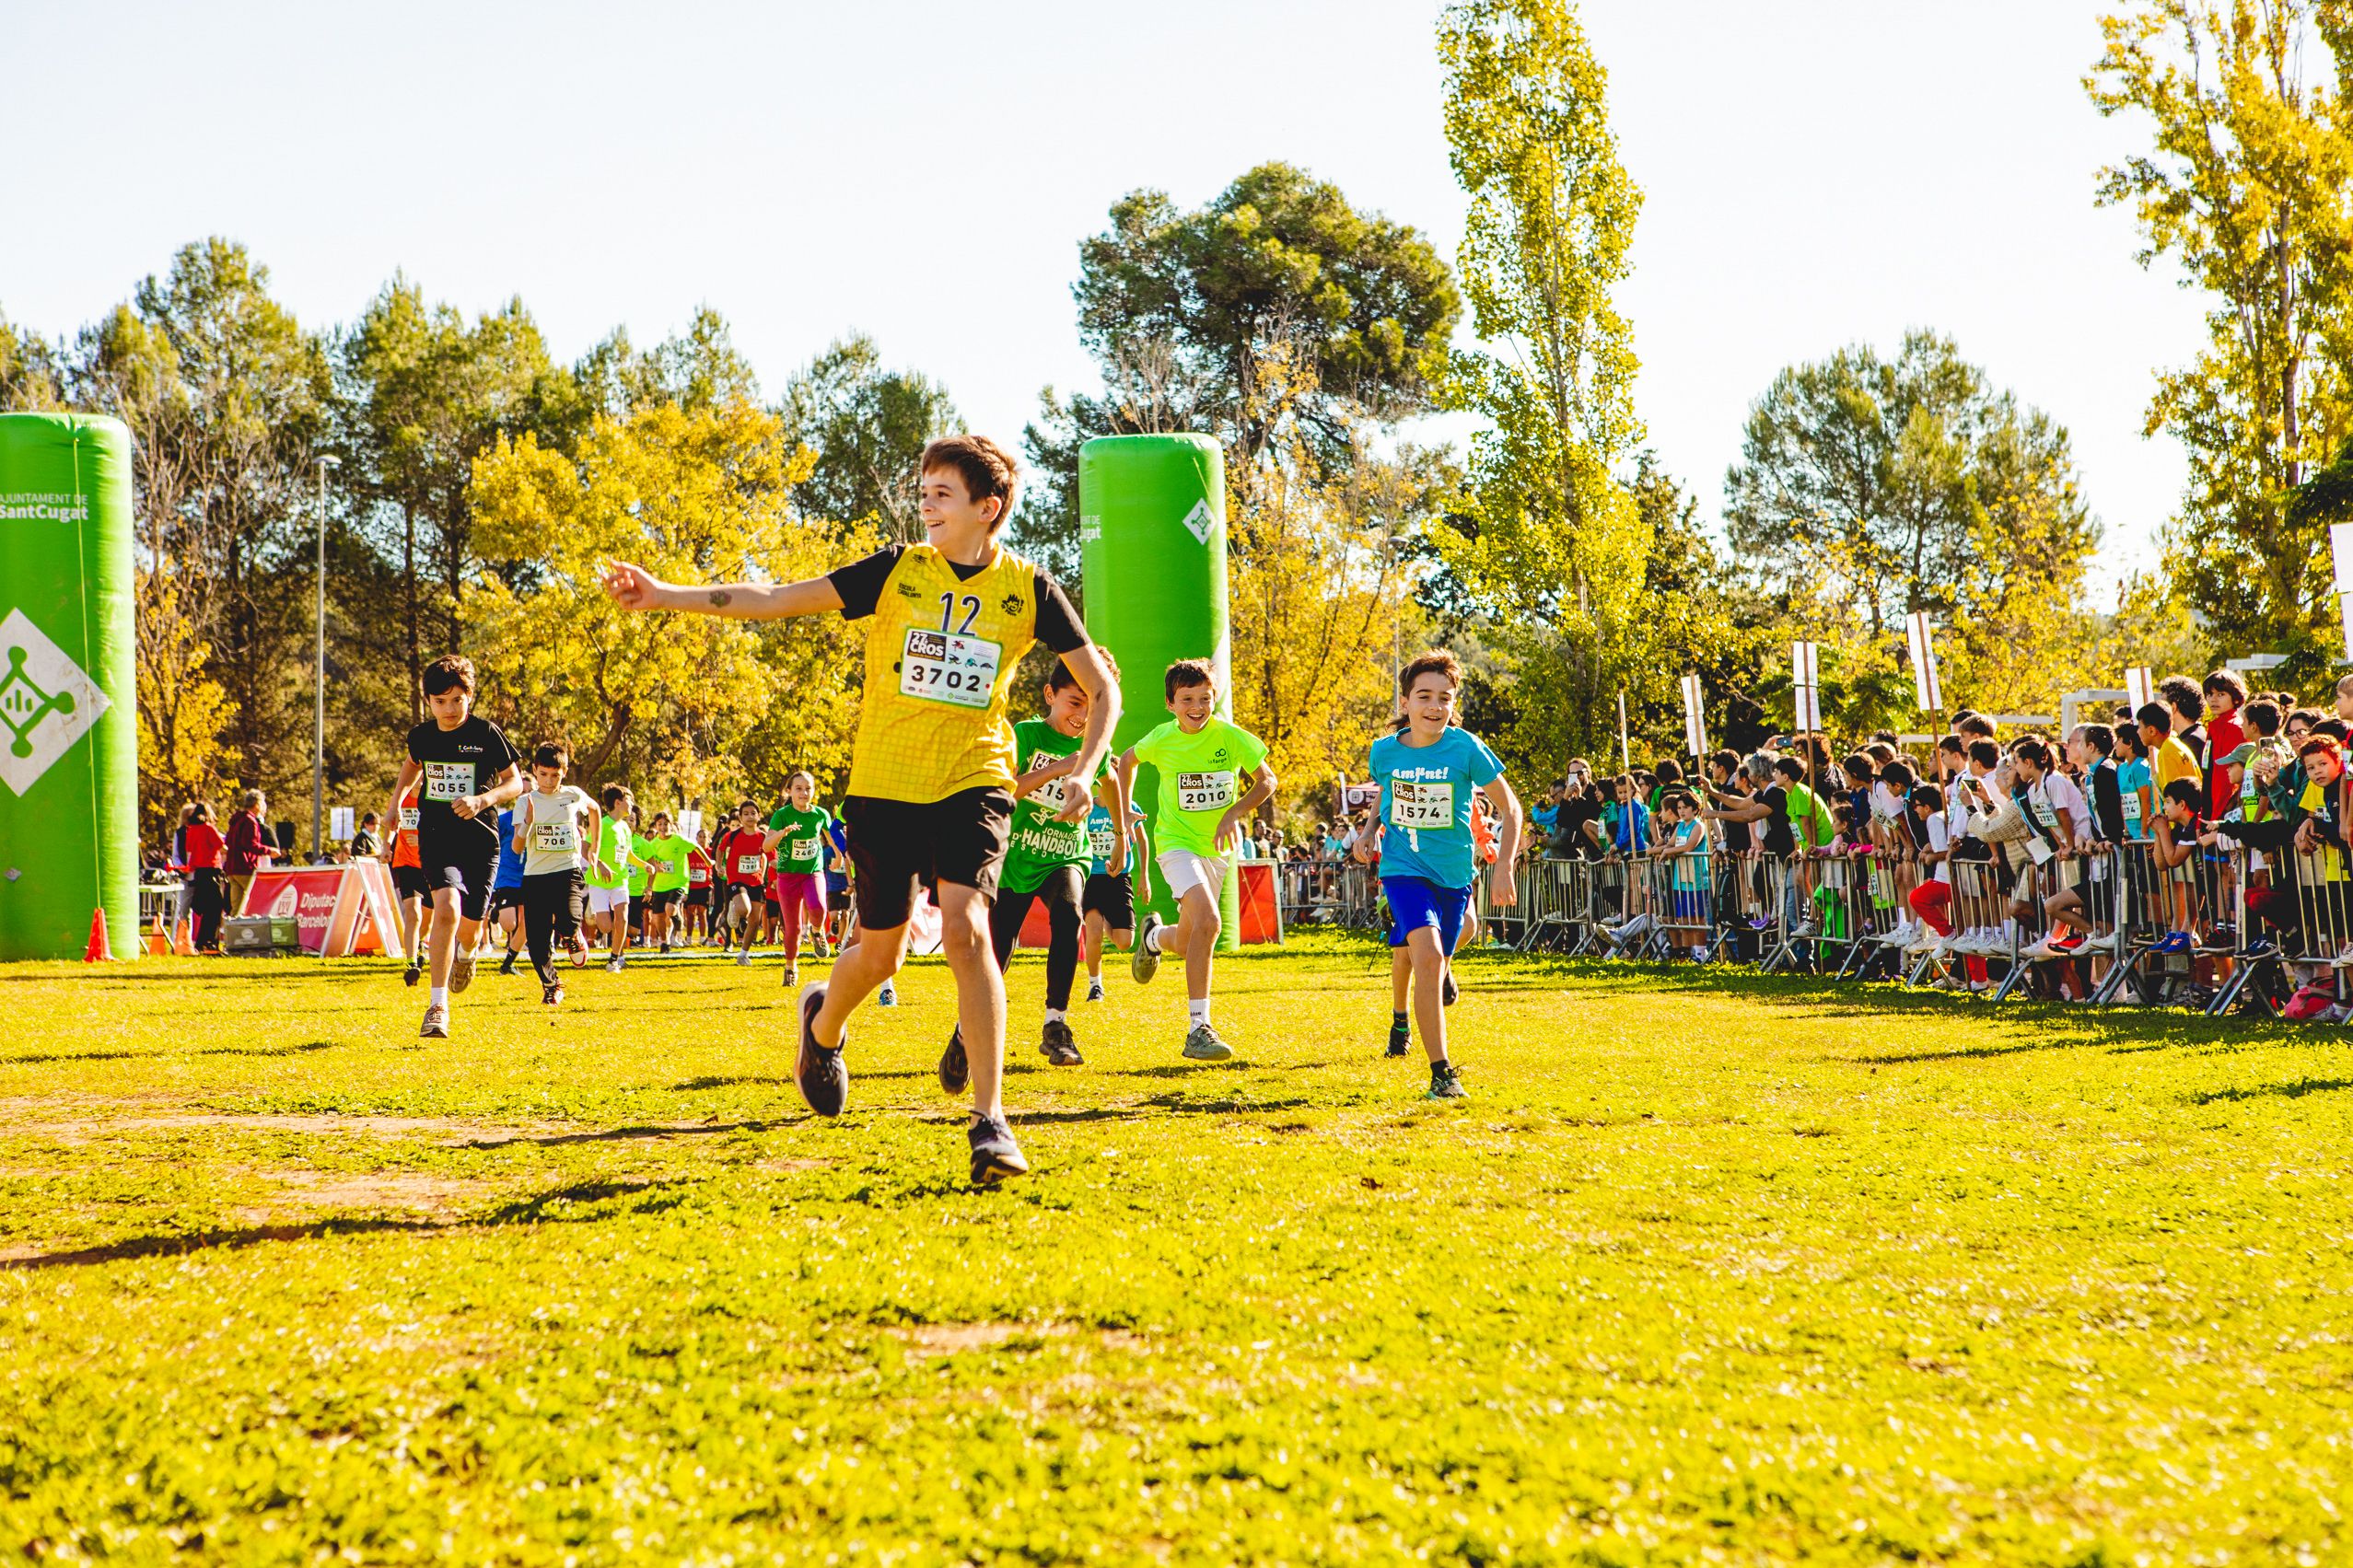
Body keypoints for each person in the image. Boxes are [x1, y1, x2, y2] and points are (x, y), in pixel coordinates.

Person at [601, 433, 1118, 1184]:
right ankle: (824, 1023)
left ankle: (991, 1121)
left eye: (941, 493)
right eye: (923, 491)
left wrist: (1088, 765)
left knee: (970, 930)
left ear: (988, 508)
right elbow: (776, 600)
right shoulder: (895, 571)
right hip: (883, 784)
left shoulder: (1030, 590)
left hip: (975, 777)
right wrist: (664, 593)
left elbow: (1104, 688)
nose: (926, 503)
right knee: (882, 953)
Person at [1352, 651, 1520, 1098]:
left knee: (1452, 940)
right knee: (1424, 956)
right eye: (1424, 696)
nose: (1435, 706)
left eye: (1444, 698)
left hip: (1454, 873)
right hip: (1403, 868)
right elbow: (1385, 794)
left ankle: (1442, 971)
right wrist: (1368, 831)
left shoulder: (1466, 748)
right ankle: (1442, 1073)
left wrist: (1502, 865)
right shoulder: (1384, 751)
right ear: (1405, 702)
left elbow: (1510, 807)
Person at [1116, 657, 1277, 1063]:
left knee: (1188, 940)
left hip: (1217, 849)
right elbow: (1126, 762)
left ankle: (1153, 937)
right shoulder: (1162, 738)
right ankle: (1198, 1029)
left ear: (1214, 697)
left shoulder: (1230, 736)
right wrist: (1124, 811)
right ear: (1171, 703)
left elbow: (1267, 780)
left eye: (1205, 698)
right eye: (1187, 699)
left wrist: (1233, 812)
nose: (1197, 706)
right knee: (1209, 922)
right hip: (1175, 843)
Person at [961, 654, 1115, 1070]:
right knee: (998, 947)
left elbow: (1112, 780)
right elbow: (1005, 792)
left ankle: (1056, 1026)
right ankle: (965, 1032)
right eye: (1074, 702)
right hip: (1018, 856)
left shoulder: (1095, 744)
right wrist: (1062, 769)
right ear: (1050, 695)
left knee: (1069, 917)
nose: (1082, 716)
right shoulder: (1026, 735)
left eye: (1091, 706)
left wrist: (1119, 836)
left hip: (1067, 854)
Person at [381, 655, 525, 1039]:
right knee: (445, 908)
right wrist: (395, 803)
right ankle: (437, 1006)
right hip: (436, 834)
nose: (448, 709)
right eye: (440, 701)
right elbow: (412, 765)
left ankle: (467, 953)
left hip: (481, 840)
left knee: (471, 928)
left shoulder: (486, 734)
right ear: (428, 701)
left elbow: (516, 783)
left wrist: (483, 799)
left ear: (470, 697)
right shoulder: (422, 736)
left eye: (456, 700)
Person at [511, 743, 602, 1006]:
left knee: (569, 921)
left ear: (564, 772)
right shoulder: (525, 802)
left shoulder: (573, 795)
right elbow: (517, 848)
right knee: (538, 942)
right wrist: (528, 822)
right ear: (534, 771)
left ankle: (573, 936)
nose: (549, 781)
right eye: (543, 774)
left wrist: (594, 848)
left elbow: (594, 810)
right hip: (535, 875)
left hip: (568, 870)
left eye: (555, 775)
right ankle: (551, 985)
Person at [1081, 775, 1150, 1003]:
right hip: (1091, 877)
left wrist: (1145, 877)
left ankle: (1109, 921)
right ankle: (1095, 986)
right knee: (1092, 933)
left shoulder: (1129, 808)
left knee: (1124, 942)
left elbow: (1142, 840)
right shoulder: (1088, 808)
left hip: (1119, 878)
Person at [763, 772, 834, 986]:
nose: (804, 793)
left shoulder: (820, 814)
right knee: (792, 928)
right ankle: (790, 966)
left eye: (808, 788)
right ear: (790, 791)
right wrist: (783, 833)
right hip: (787, 876)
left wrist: (840, 856)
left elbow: (832, 839)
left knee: (819, 907)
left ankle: (817, 931)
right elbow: (766, 846)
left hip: (813, 872)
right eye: (799, 788)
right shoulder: (781, 815)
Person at [585, 785, 640, 971]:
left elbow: (629, 854)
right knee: (606, 927)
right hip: (599, 882)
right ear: (618, 803)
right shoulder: (602, 824)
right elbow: (585, 849)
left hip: (620, 880)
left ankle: (614, 960)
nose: (632, 804)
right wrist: (600, 865)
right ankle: (592, 913)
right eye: (629, 800)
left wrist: (645, 865)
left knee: (622, 919)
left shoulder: (625, 827)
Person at [381, 781, 431, 986]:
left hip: (430, 863)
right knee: (413, 913)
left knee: (427, 920)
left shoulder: (432, 798)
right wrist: (386, 845)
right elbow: (391, 823)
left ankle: (419, 944)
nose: (419, 782)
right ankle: (411, 964)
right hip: (406, 862)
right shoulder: (400, 798)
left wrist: (424, 841)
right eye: (416, 778)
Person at [711, 800, 772, 962]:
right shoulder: (733, 835)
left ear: (759, 816)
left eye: (753, 813)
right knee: (745, 909)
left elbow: (771, 856)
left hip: (756, 881)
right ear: (740, 817)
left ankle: (743, 954)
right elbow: (720, 849)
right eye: (746, 814)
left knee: (754, 920)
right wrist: (718, 866)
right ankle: (735, 908)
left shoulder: (763, 837)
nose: (750, 816)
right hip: (736, 879)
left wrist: (777, 866)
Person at [636, 810, 694, 953]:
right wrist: (653, 872)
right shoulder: (653, 844)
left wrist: (709, 862)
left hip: (677, 882)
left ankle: (677, 922)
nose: (663, 827)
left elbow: (697, 847)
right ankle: (665, 942)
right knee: (657, 918)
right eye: (659, 824)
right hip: (659, 884)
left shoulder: (678, 840)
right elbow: (648, 862)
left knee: (670, 909)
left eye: (665, 823)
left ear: (671, 824)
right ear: (656, 826)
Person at [182, 801, 228, 953]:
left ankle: (204, 941)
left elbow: (189, 850)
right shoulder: (209, 829)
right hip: (212, 870)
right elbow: (222, 847)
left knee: (207, 908)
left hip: (199, 872)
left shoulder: (191, 830)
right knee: (215, 908)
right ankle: (208, 941)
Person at [488, 803, 529, 975]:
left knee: (529, 925)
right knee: (509, 923)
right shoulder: (505, 820)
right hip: (507, 876)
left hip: (530, 875)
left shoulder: (543, 817)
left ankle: (508, 964)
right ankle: (496, 910)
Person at [224, 790, 273, 917]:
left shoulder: (235, 821)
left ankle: (233, 935)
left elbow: (228, 841)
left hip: (232, 869)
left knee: (237, 908)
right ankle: (257, 930)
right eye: (262, 805)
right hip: (245, 868)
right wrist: (269, 851)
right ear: (257, 805)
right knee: (259, 899)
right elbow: (250, 844)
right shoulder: (250, 821)